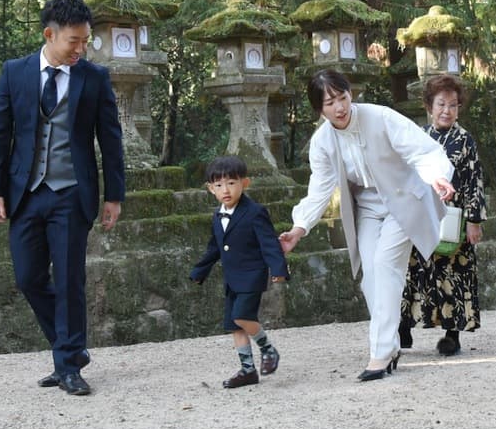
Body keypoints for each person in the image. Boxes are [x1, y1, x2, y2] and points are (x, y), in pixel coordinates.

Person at [0, 0, 125, 396]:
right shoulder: (15, 73)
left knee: (69, 281)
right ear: (50, 34)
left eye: (86, 42)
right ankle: (71, 350)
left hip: (71, 193)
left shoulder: (94, 78)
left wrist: (114, 195)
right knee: (28, 278)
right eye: (74, 42)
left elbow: (110, 140)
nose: (81, 49)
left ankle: (67, 364)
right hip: (25, 194)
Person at [279, 70, 455, 381]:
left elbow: (424, 150)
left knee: (386, 264)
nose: (339, 107)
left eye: (343, 98)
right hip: (368, 207)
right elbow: (320, 187)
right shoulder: (321, 142)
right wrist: (299, 228)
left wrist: (436, 176)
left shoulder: (381, 116)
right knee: (370, 275)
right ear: (319, 109)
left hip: (403, 198)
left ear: (351, 95)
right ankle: (392, 345)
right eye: (330, 102)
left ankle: (380, 353)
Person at [400, 73, 487, 356]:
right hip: (421, 215)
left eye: (452, 105)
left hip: (455, 218)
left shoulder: (465, 140)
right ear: (429, 106)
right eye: (441, 104)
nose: (446, 111)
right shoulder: (419, 137)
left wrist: (474, 220)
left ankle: (453, 333)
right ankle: (404, 324)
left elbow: (475, 180)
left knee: (456, 273)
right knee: (413, 272)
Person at [189, 156, 290, 387]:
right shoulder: (217, 215)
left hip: (252, 275)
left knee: (242, 317)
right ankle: (247, 370)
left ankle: (268, 349)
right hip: (231, 279)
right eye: (219, 185)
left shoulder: (255, 212)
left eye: (231, 183)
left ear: (245, 183)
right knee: (235, 326)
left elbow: (269, 243)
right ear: (210, 189)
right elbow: (215, 247)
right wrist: (199, 271)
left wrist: (278, 269)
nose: (226, 190)